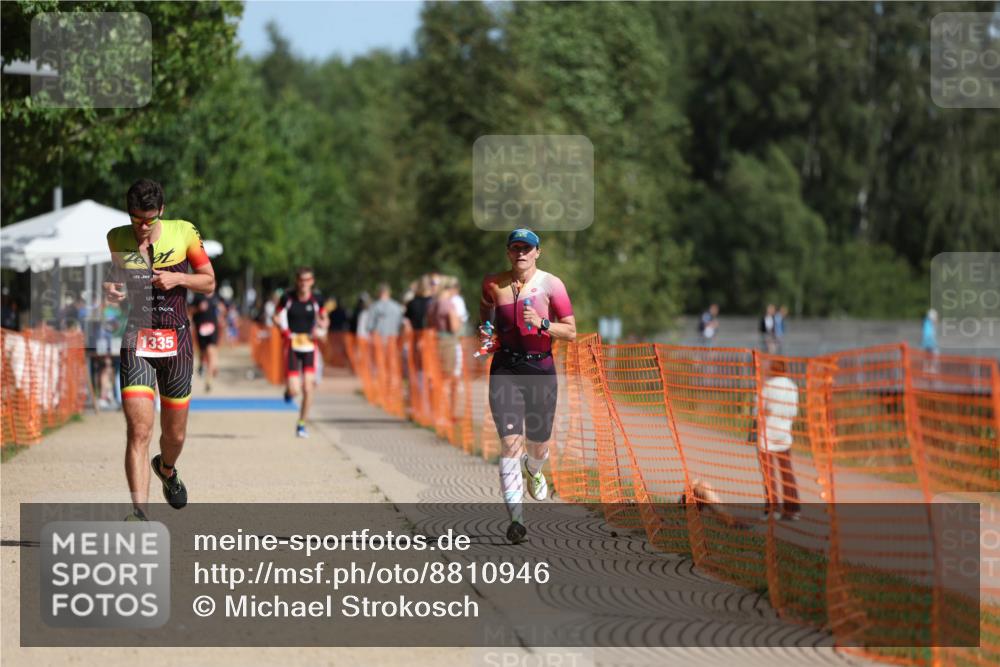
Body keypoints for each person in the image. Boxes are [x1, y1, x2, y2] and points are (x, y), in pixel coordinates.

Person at [104, 178, 215, 521]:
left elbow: (209, 282)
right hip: (137, 338)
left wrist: (178, 279)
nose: (142, 227)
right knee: (139, 430)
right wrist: (112, 289)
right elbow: (116, 278)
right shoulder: (117, 237)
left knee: (174, 434)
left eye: (149, 220)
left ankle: (167, 468)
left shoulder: (183, 232)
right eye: (137, 219)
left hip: (177, 340)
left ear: (161, 212)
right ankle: (139, 514)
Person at [479, 228, 576, 544]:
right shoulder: (494, 283)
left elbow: (571, 331)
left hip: (540, 367)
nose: (521, 252)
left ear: (538, 252)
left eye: (527, 248)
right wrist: (487, 333)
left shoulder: (552, 285)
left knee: (539, 444)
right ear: (508, 252)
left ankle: (534, 469)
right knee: (509, 442)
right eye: (516, 247)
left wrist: (543, 323)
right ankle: (516, 520)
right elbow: (484, 311)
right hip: (505, 367)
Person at [273, 267, 328, 438]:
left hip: (310, 347)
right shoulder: (287, 298)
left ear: (312, 281)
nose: (304, 284)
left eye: (307, 280)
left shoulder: (317, 299)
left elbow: (325, 318)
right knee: (295, 390)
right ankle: (289, 392)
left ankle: (302, 424)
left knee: (308, 388)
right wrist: (284, 332)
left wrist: (322, 326)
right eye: (301, 280)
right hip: (292, 346)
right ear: (297, 281)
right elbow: (275, 317)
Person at [758, 359, 800, 520]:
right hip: (785, 433)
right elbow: (794, 411)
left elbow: (761, 409)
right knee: (787, 472)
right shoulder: (792, 386)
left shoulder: (768, 386)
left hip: (767, 434)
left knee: (769, 473)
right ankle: (793, 510)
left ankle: (772, 509)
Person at [190, 293, 221, 392]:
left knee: (211, 352)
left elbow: (222, 309)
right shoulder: (197, 296)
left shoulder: (216, 297)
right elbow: (190, 311)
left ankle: (209, 380)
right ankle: (201, 364)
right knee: (203, 353)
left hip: (213, 329)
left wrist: (222, 314)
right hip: (201, 328)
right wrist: (198, 308)